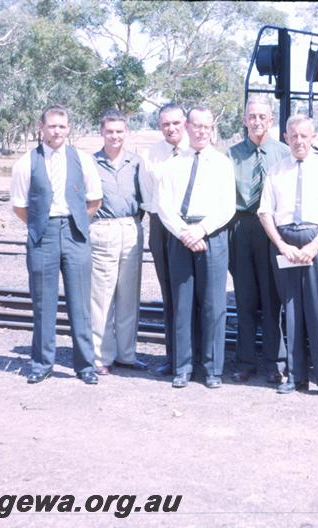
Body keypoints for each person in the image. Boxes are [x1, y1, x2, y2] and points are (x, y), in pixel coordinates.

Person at [10, 104, 102, 385]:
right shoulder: (26, 162)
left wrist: (76, 221)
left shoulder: (83, 160)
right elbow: (19, 206)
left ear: (68, 128)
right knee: (43, 303)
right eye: (52, 126)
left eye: (62, 126)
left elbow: (95, 200)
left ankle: (85, 366)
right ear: (42, 128)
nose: (57, 131)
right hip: (43, 235)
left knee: (80, 304)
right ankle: (41, 364)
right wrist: (41, 225)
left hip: (75, 233)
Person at [258, 114, 318, 400]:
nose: (298, 141)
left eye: (304, 136)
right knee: (291, 312)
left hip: (317, 241)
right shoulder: (276, 170)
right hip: (286, 244)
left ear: (313, 137)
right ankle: (295, 377)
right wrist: (282, 245)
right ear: (286, 138)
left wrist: (315, 244)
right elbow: (265, 212)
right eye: (293, 136)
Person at [157, 106, 235, 389]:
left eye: (207, 126)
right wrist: (183, 232)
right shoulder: (173, 163)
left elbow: (227, 206)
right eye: (196, 126)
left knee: (214, 304)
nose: (202, 131)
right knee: (182, 303)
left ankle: (213, 369)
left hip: (211, 234)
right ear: (187, 128)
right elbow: (163, 205)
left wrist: (201, 230)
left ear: (212, 129)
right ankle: (183, 367)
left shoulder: (222, 163)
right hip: (180, 236)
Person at [227, 95, 290, 385]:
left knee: (273, 298)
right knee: (245, 298)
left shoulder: (284, 153)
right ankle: (245, 361)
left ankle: (276, 362)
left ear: (271, 120)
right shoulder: (231, 155)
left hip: (273, 230)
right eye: (251, 116)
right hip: (243, 228)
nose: (256, 121)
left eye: (262, 116)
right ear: (244, 120)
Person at [89, 109, 150, 376]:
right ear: (101, 132)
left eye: (119, 131)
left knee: (129, 295)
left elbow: (144, 197)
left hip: (131, 228)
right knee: (101, 297)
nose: (115, 136)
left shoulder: (136, 162)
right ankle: (100, 357)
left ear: (126, 132)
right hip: (103, 229)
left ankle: (127, 354)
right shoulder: (90, 163)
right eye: (110, 131)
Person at [141, 103, 190, 377]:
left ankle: (197, 356)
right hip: (161, 226)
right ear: (160, 126)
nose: (171, 128)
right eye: (165, 124)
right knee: (170, 294)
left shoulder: (196, 149)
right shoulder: (151, 156)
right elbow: (149, 198)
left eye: (176, 123)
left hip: (191, 224)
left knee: (193, 295)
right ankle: (173, 357)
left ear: (184, 123)